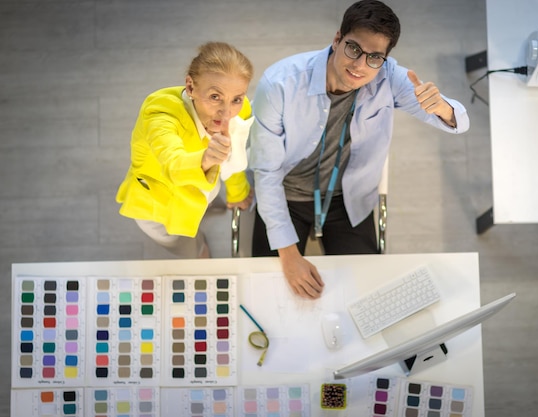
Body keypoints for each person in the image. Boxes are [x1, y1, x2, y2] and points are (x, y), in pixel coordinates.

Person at [248, 0, 470, 299]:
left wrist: (443, 108)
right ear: (337, 38)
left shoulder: (389, 76)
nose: (360, 66)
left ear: (386, 60)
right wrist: (288, 255)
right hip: (286, 194)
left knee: (370, 296)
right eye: (354, 49)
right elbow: (266, 172)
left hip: (348, 198)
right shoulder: (280, 83)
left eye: (374, 57)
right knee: (269, 297)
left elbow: (461, 122)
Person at [116, 42, 255, 258]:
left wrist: (237, 192)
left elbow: (234, 153)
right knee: (190, 249)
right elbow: (173, 163)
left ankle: (208, 208)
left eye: (236, 99)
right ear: (190, 87)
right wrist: (207, 158)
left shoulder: (241, 107)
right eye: (215, 96)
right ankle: (200, 250)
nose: (226, 113)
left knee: (207, 201)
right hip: (163, 208)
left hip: (207, 188)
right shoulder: (160, 113)